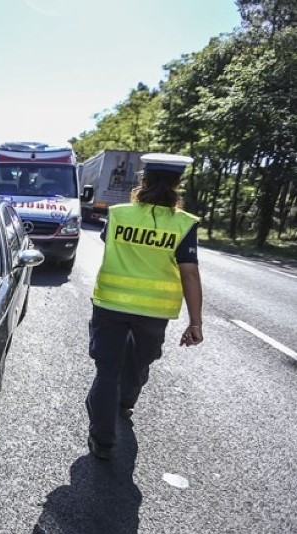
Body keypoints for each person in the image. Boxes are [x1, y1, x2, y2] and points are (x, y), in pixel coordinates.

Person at [86, 153, 204, 460]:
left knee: (107, 370)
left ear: (143, 180)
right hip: (154, 312)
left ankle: (103, 439)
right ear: (178, 184)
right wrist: (195, 322)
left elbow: (108, 242)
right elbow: (189, 272)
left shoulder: (119, 214)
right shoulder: (183, 224)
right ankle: (124, 402)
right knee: (138, 364)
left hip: (111, 303)